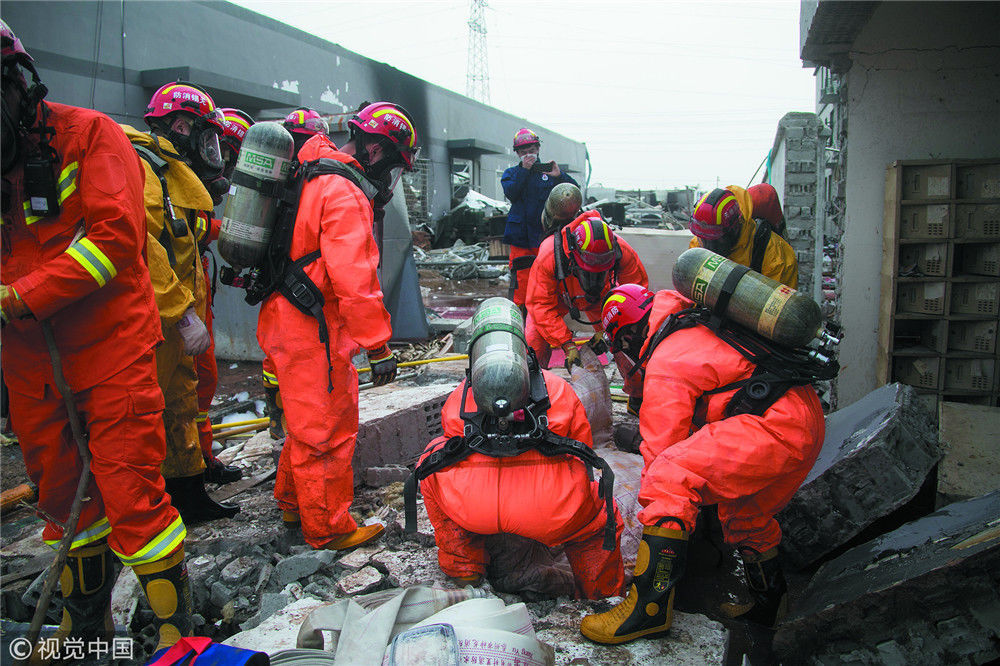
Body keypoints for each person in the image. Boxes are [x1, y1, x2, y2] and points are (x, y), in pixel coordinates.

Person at [1, 20, 192, 651]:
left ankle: (174, 636)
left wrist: (23, 297)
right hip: (32, 368)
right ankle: (85, 633)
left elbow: (113, 238)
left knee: (132, 495)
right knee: (63, 504)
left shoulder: (89, 135)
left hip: (111, 353)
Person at [579, 284, 826, 644]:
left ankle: (649, 608)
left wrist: (656, 513)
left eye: (622, 347)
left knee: (668, 477)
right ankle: (770, 604)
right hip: (803, 419)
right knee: (746, 514)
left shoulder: (665, 361)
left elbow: (662, 454)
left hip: (774, 426)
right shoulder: (693, 323)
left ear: (630, 334)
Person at [257, 101, 418, 550]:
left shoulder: (310, 168)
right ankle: (327, 527)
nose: (390, 178)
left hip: (285, 316)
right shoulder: (343, 190)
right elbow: (356, 279)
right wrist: (379, 346)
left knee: (303, 422)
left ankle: (294, 501)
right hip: (313, 326)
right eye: (393, 165)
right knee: (326, 429)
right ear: (374, 151)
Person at [411, 298, 624, 599]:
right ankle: (602, 595)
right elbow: (583, 447)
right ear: (522, 346)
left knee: (433, 457)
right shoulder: (558, 388)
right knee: (600, 512)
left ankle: (464, 568)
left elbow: (451, 444)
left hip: (474, 510)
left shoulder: (461, 396)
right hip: (553, 514)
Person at [121, 81, 239, 523]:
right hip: (147, 322)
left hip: (171, 321)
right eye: (206, 137)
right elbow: (143, 247)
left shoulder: (171, 175)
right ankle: (140, 513)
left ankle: (188, 496)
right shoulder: (144, 169)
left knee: (181, 405)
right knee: (142, 417)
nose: (211, 149)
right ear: (182, 125)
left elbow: (182, 241)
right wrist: (183, 311)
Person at [257, 107, 331, 440]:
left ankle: (276, 417)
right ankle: (288, 422)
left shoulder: (279, 175)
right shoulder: (314, 178)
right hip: (300, 298)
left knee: (274, 359)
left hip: (273, 287)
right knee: (295, 372)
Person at [193, 107, 254, 484]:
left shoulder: (194, 181)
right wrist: (229, 230)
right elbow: (184, 225)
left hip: (196, 288)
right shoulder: (172, 176)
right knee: (187, 386)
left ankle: (200, 458)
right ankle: (187, 467)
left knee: (202, 380)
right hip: (176, 299)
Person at [525, 210, 648, 394]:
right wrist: (567, 345)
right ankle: (533, 394)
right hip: (559, 295)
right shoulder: (550, 254)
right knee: (533, 344)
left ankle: (639, 393)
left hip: (600, 299)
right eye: (590, 271)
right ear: (574, 254)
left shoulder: (622, 251)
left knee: (629, 337)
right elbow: (540, 305)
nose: (594, 276)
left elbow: (638, 299)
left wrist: (608, 332)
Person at [501, 128, 578, 311]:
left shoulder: (550, 173)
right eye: (523, 151)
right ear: (517, 153)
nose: (528, 154)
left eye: (532, 150)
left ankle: (550, 317)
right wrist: (525, 171)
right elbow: (511, 193)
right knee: (522, 283)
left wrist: (560, 177)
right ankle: (523, 320)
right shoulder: (511, 174)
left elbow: (573, 193)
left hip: (546, 237)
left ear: (538, 149)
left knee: (550, 279)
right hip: (521, 239)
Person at [688, 186, 798, 288]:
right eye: (703, 238)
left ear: (734, 229)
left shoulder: (776, 257)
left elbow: (779, 306)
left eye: (715, 240)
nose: (708, 247)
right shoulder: (701, 241)